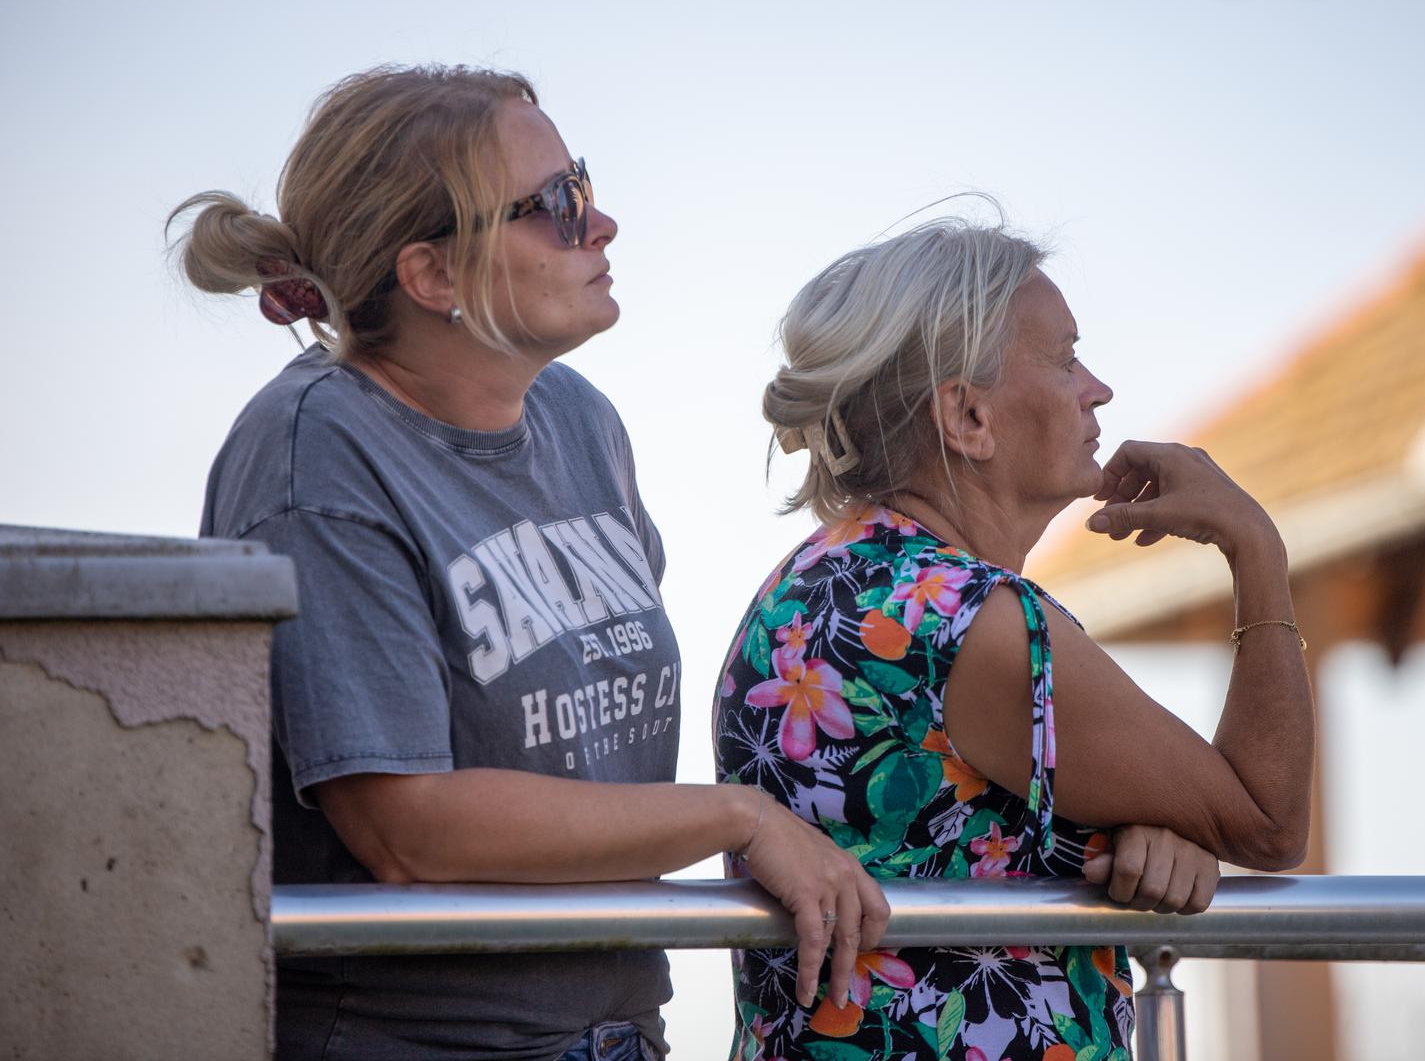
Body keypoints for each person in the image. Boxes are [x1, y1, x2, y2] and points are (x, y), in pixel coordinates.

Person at [170, 64, 889, 1061]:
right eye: (559, 205)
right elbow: (406, 827)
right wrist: (737, 817)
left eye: (582, 185)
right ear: (432, 277)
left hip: (616, 1032)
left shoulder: (579, 421)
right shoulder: (317, 456)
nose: (603, 226)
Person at [714, 217, 1313, 1060]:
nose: (1096, 388)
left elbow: (947, 828)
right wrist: (1256, 545)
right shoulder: (972, 621)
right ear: (967, 417)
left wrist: (1132, 831)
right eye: (1066, 358)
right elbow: (1267, 822)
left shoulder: (815, 585)